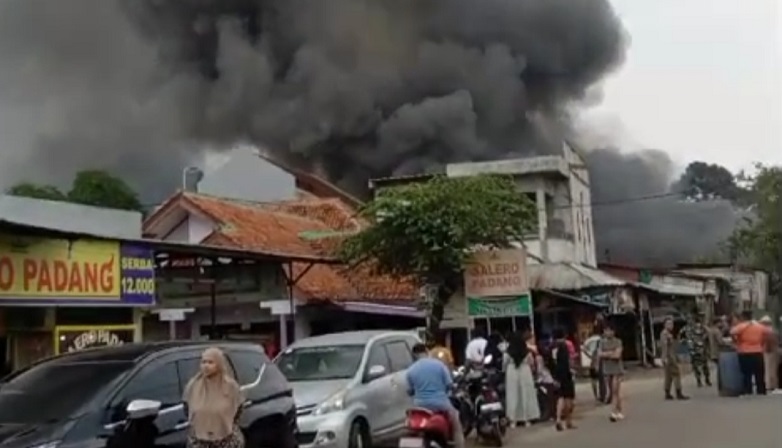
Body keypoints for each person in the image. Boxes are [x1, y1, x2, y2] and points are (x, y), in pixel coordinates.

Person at [183, 347, 245, 448]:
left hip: (227, 441)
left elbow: (238, 411)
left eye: (210, 362)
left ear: (219, 364)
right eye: (203, 362)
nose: (206, 366)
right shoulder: (193, 386)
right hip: (199, 442)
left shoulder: (231, 387)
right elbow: (187, 409)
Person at [406, 343, 465, 448]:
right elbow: (449, 385)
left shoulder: (410, 370)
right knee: (456, 423)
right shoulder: (439, 365)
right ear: (427, 351)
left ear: (414, 355)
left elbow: (410, 391)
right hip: (441, 404)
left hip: (420, 406)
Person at [504, 330, 540, 427]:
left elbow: (504, 365)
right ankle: (526, 419)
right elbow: (531, 363)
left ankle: (513, 420)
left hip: (512, 372)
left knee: (513, 395)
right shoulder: (527, 352)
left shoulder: (507, 352)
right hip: (525, 372)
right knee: (526, 394)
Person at [730, 311, 769, 395]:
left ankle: (748, 390)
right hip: (758, 351)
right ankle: (761, 390)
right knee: (759, 373)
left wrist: (736, 341)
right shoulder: (759, 326)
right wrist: (762, 342)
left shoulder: (741, 326)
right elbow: (767, 332)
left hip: (744, 352)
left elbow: (732, 332)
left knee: (746, 373)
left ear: (743, 317)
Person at [550, 328, 576, 431]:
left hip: (555, 374)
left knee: (560, 397)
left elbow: (550, 362)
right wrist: (571, 372)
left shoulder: (552, 347)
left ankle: (558, 419)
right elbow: (566, 362)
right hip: (565, 374)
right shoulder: (564, 346)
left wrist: (554, 375)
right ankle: (568, 421)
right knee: (568, 397)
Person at [599, 324, 624, 422]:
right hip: (607, 369)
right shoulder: (602, 342)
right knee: (614, 392)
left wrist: (607, 354)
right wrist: (611, 353)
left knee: (614, 391)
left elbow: (617, 355)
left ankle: (613, 412)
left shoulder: (618, 341)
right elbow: (600, 354)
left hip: (617, 370)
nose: (608, 333)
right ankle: (619, 410)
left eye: (610, 330)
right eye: (606, 331)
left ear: (613, 332)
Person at [660, 318, 688, 400]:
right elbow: (665, 346)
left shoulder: (666, 333)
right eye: (669, 324)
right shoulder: (665, 334)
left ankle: (667, 392)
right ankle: (678, 392)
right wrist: (665, 357)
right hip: (669, 357)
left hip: (669, 357)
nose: (671, 325)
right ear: (665, 325)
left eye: (672, 324)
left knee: (668, 376)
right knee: (676, 374)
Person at [680, 315, 712, 387]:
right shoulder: (686, 329)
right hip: (692, 350)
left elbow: (708, 333)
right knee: (695, 366)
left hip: (701, 349)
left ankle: (707, 379)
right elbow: (681, 336)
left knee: (704, 365)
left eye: (691, 320)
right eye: (688, 320)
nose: (690, 321)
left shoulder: (701, 327)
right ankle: (699, 380)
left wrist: (704, 337)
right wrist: (684, 341)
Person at [759, 315, 780, 393]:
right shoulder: (774, 330)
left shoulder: (767, 331)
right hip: (775, 351)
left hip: (769, 351)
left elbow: (767, 343)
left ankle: (769, 386)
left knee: (768, 370)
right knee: (773, 370)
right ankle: (773, 386)